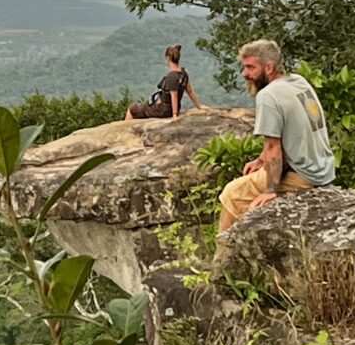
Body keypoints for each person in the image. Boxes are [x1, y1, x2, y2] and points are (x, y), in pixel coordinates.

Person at [218, 39, 335, 231]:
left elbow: (273, 145)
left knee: (232, 193)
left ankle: (224, 248)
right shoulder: (298, 81)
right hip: (323, 169)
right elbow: (287, 133)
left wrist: (270, 189)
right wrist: (260, 160)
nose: (245, 74)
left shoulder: (268, 95)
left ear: (269, 67)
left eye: (250, 67)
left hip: (304, 175)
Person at [126, 44, 203, 120]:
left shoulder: (172, 76)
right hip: (173, 108)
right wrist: (200, 106)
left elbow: (174, 96)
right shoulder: (184, 74)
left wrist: (174, 115)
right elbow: (190, 91)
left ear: (168, 58)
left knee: (132, 109)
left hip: (163, 110)